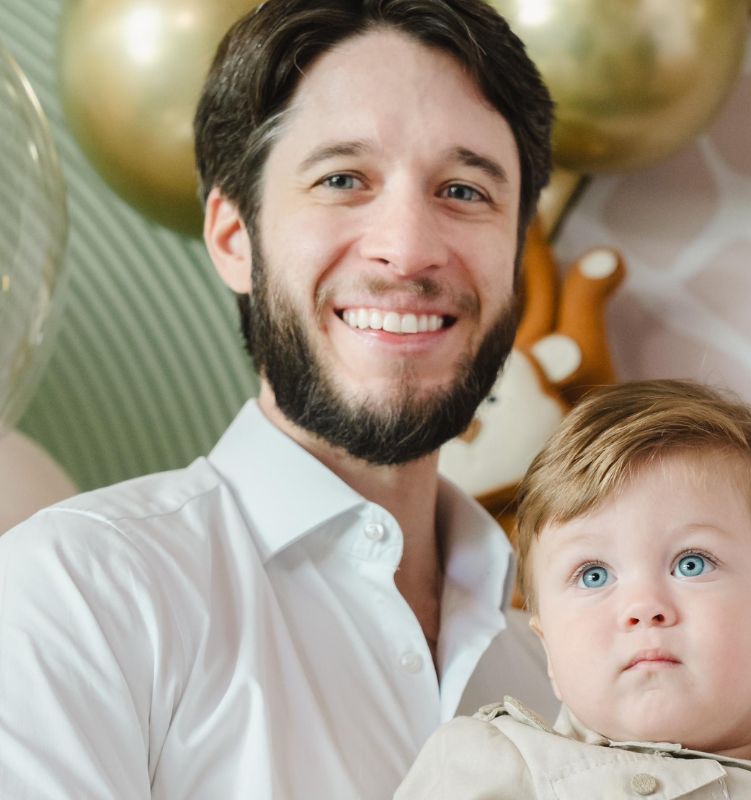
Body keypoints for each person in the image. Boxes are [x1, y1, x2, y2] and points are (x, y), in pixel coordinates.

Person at [0, 1, 556, 797]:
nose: (407, 250)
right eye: (341, 179)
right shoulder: (78, 595)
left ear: (516, 252)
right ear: (234, 238)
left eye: (465, 191)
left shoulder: (563, 679)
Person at [393, 379, 751, 799]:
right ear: (549, 653)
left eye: (692, 564)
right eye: (593, 575)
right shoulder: (490, 767)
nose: (643, 607)